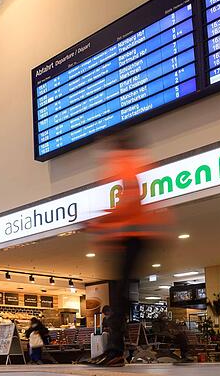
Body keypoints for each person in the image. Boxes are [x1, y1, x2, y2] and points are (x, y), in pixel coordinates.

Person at [86, 132, 172, 367]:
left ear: (118, 148)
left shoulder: (126, 165)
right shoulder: (129, 164)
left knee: (121, 296)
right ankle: (114, 351)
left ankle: (115, 352)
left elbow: (130, 203)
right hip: (134, 235)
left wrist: (100, 222)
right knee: (120, 295)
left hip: (137, 235)